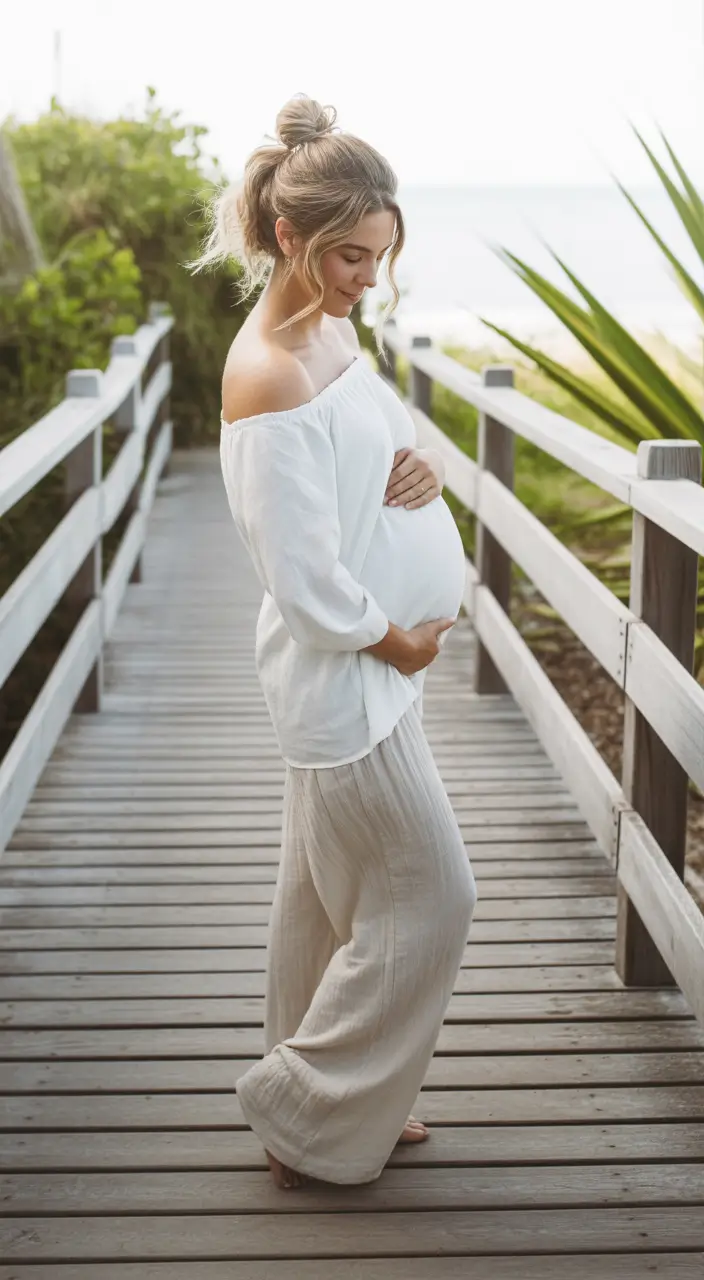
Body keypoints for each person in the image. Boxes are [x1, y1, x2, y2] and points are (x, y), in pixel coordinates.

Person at [188, 93, 477, 1190]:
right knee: (434, 895)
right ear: (286, 235)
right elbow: (301, 579)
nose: (368, 277)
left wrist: (425, 458)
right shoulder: (266, 375)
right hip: (348, 680)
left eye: (380, 256)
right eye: (350, 255)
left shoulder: (329, 331)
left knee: (317, 904)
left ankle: (337, 1100)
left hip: (372, 678)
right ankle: (308, 1100)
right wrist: (396, 642)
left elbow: (381, 436)